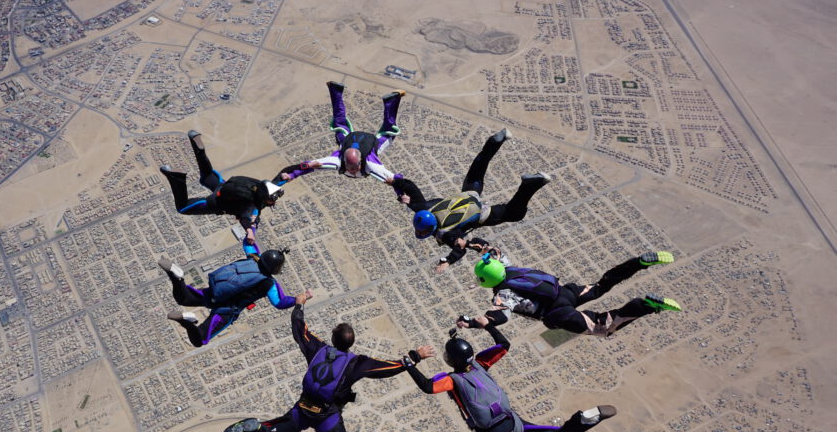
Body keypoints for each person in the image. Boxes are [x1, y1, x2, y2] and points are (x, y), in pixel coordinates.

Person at [223, 293, 434, 432]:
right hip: (327, 416)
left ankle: (255, 428)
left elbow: (299, 328)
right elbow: (387, 368)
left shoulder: (317, 349)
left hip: (303, 409)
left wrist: (300, 303)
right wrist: (415, 356)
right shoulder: (356, 364)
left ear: (333, 339)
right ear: (351, 343)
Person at [404, 327, 616, 432]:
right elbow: (504, 344)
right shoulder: (480, 363)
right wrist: (488, 326)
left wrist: (410, 364)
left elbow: (428, 386)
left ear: (450, 359)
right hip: (514, 422)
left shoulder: (452, 379)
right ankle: (585, 420)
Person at [391, 130, 550, 270]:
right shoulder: (422, 208)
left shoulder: (445, 234)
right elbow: (411, 186)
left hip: (483, 214)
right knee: (478, 170)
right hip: (469, 194)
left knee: (514, 214)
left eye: (422, 231)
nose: (420, 232)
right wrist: (396, 184)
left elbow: (460, 248)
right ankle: (495, 141)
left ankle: (530, 185)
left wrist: (448, 261)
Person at [470, 249, 681, 336]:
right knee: (601, 285)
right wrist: (477, 248)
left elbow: (500, 316)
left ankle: (646, 305)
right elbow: (494, 253)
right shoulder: (506, 266)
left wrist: (481, 322)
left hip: (558, 313)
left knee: (603, 325)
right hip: (565, 291)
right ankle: (639, 263)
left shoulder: (502, 294)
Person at [159, 240, 306, 347]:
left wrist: (250, 230)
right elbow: (280, 302)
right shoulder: (269, 283)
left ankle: (176, 277)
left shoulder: (253, 257)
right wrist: (298, 300)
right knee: (200, 339)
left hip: (216, 293)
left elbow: (248, 243)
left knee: (185, 298)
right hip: (226, 311)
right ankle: (186, 322)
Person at [160, 130, 284, 242]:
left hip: (224, 186)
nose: (273, 202)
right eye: (270, 199)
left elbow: (289, 172)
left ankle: (198, 147)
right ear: (263, 197)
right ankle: (177, 178)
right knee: (182, 208)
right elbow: (246, 219)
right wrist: (250, 231)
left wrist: (302, 168)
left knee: (207, 176)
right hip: (216, 202)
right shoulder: (253, 206)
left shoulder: (259, 185)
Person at [273, 81, 405, 184]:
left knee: (386, 131)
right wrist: (291, 175)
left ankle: (336, 91)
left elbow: (312, 165)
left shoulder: (346, 162)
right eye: (352, 167)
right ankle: (391, 101)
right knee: (388, 131)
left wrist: (291, 175)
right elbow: (312, 165)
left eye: (353, 167)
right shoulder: (366, 165)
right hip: (353, 141)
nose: (353, 171)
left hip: (352, 140)